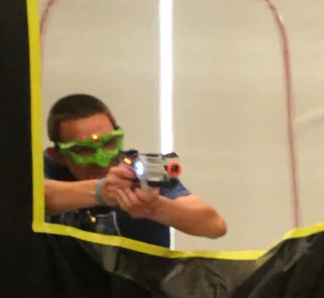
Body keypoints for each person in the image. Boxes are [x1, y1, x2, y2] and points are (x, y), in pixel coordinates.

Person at [43, 94, 227, 246]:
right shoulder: (48, 170)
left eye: (109, 143)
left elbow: (214, 226)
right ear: (58, 155)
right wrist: (101, 191)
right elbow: (37, 196)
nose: (101, 159)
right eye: (83, 150)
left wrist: (154, 207)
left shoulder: (137, 171)